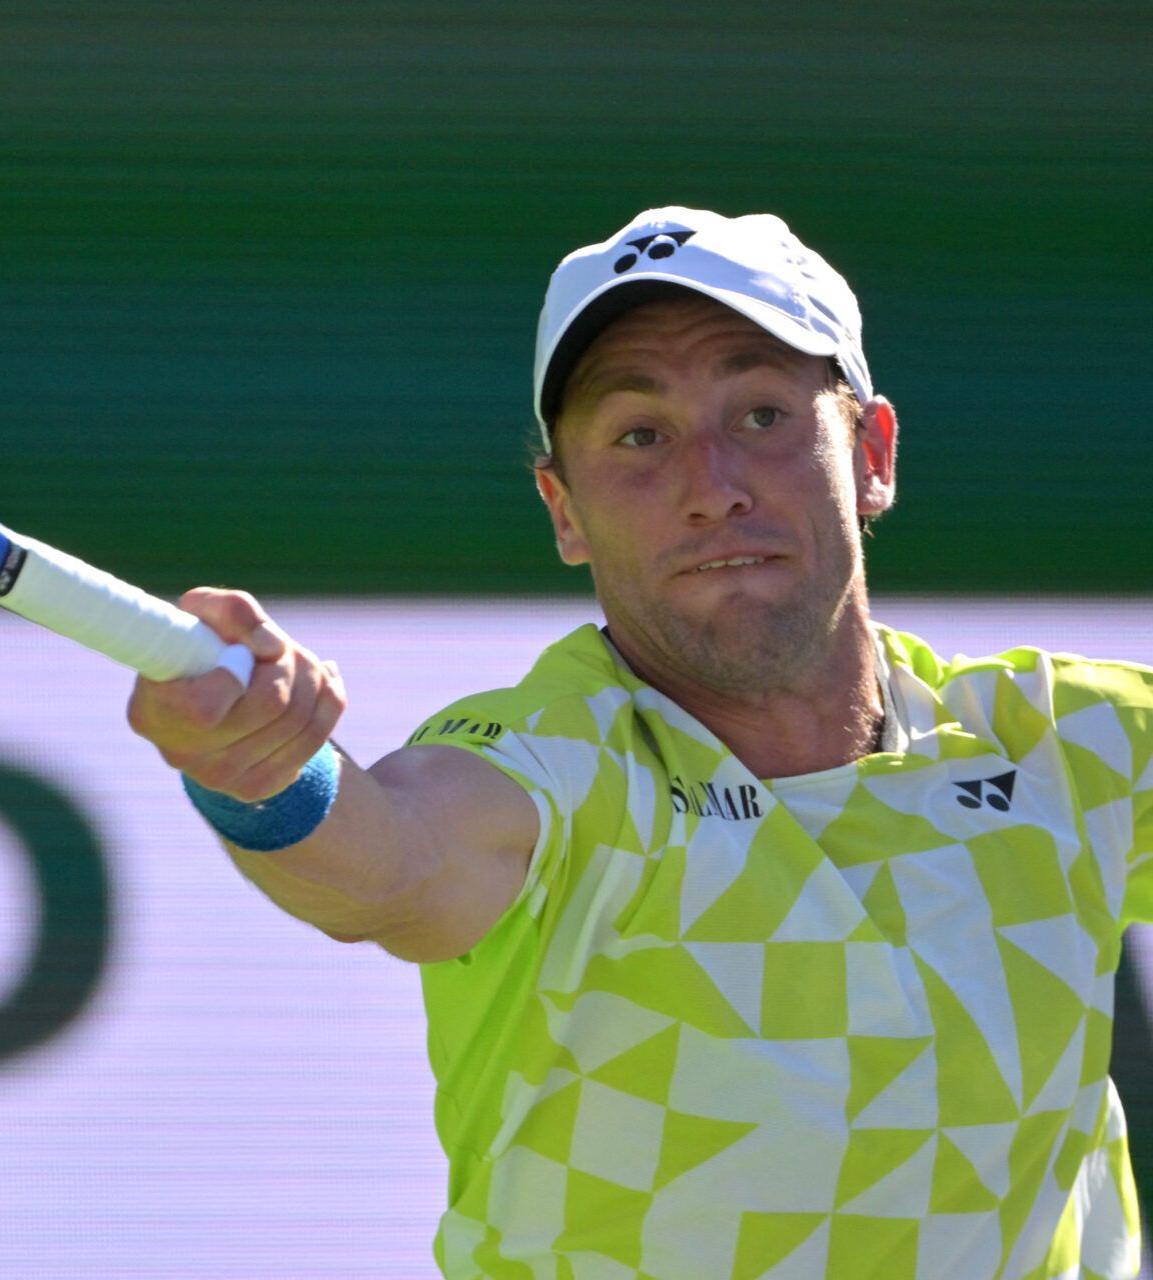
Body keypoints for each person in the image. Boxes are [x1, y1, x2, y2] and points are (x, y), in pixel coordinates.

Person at [126, 206, 1153, 1278]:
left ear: (871, 452)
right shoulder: (557, 759)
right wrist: (268, 775)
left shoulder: (1066, 746)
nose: (712, 488)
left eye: (759, 414)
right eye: (639, 437)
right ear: (563, 510)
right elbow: (392, 863)